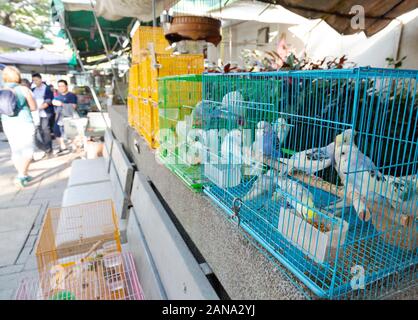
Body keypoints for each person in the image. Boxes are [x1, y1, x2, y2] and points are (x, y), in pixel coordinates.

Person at [1, 66, 37, 187]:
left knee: (16, 150)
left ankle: (23, 174)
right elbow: (33, 107)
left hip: (8, 124)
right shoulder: (23, 89)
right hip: (24, 123)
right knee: (28, 151)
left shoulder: (1, 90)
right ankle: (21, 175)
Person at [52, 79, 78, 154]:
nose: (60, 88)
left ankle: (75, 147)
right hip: (59, 118)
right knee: (56, 131)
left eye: (62, 86)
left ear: (66, 86)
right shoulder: (57, 97)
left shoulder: (71, 95)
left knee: (71, 133)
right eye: (59, 86)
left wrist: (61, 104)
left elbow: (74, 106)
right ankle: (63, 147)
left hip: (69, 117)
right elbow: (56, 110)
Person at [32, 73, 54, 155]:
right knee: (40, 131)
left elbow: (48, 102)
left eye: (36, 80)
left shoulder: (47, 89)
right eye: (34, 80)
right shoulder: (33, 90)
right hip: (36, 114)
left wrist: (38, 108)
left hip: (45, 113)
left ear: (41, 79)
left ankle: (48, 149)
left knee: (46, 131)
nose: (35, 82)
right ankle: (45, 148)